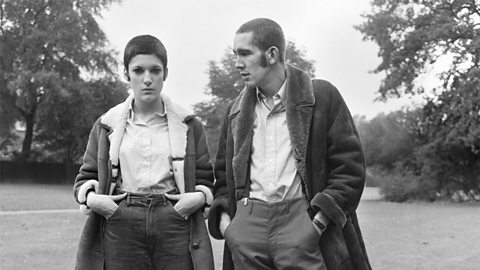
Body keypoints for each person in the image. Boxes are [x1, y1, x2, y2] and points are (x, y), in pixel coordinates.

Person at [208, 18, 372, 270]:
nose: (237, 63)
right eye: (235, 55)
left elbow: (350, 170)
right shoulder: (235, 110)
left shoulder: (322, 96)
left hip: (303, 221)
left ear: (272, 54)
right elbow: (222, 178)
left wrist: (317, 223)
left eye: (244, 54)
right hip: (248, 226)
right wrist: (229, 228)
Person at [73, 35, 214, 270]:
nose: (147, 79)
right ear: (127, 74)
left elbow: (205, 178)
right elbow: (85, 178)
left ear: (165, 74)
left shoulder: (189, 125)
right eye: (138, 70)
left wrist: (194, 200)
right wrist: (98, 202)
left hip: (175, 219)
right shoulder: (106, 125)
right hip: (120, 218)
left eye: (155, 70)